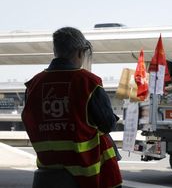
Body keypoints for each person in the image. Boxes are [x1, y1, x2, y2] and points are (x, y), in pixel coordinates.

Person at [22, 27, 122, 188]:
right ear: (80, 52)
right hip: (85, 172)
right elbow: (107, 124)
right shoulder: (89, 82)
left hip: (47, 169)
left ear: (56, 50)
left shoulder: (33, 85)